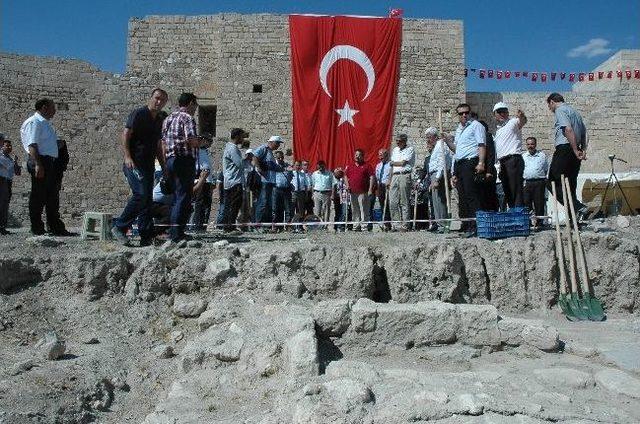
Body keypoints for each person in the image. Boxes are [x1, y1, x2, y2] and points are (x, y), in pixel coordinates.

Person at [112, 88, 168, 245]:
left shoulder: (158, 120)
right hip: (134, 163)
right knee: (140, 194)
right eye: (157, 98)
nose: (159, 102)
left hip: (149, 164)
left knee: (147, 201)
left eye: (162, 100)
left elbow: (158, 145)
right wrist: (127, 156)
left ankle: (146, 235)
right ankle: (119, 227)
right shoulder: (139, 114)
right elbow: (125, 134)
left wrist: (163, 167)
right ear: (151, 98)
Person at [20, 98, 69, 236]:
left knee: (52, 195)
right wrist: (38, 164)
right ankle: (36, 228)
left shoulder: (45, 124)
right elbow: (32, 145)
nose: (55, 111)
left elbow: (44, 144)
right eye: (53, 108)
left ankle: (54, 226)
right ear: (44, 107)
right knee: (38, 195)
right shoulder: (34, 122)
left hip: (49, 162)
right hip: (40, 161)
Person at [162, 92, 201, 242]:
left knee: (177, 197)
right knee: (184, 196)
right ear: (191, 103)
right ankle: (177, 234)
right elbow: (190, 140)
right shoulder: (187, 118)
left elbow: (163, 143)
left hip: (170, 160)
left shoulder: (168, 118)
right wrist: (200, 143)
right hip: (184, 160)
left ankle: (174, 231)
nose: (196, 108)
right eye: (196, 105)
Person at [444, 103, 486, 237]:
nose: (464, 115)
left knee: (471, 194)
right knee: (461, 196)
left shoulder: (476, 126)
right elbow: (457, 150)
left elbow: (481, 145)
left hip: (470, 162)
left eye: (466, 112)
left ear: (469, 112)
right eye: (461, 113)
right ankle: (466, 224)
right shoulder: (459, 130)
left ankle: (476, 225)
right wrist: (446, 141)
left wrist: (481, 162)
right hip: (460, 164)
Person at [545, 93, 588, 216]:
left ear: (552, 102)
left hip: (565, 148)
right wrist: (582, 150)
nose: (550, 109)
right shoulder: (576, 113)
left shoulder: (560, 110)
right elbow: (585, 133)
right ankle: (574, 218)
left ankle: (576, 206)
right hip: (576, 150)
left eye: (549, 106)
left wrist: (574, 149)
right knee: (570, 184)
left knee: (551, 181)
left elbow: (568, 129)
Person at [493, 102, 527, 208]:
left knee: (515, 191)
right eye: (499, 112)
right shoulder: (498, 131)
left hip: (513, 159)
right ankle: (514, 216)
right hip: (503, 163)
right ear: (495, 114)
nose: (502, 114)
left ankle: (519, 219)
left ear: (508, 113)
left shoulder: (512, 122)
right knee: (508, 192)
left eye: (504, 111)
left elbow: (522, 121)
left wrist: (522, 115)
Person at [253, 136, 285, 226]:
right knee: (262, 203)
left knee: (269, 204)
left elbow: (272, 167)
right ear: (272, 142)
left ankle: (265, 224)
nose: (278, 145)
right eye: (277, 143)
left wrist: (281, 169)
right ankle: (257, 224)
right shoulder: (264, 148)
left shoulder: (271, 153)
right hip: (264, 181)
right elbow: (255, 156)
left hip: (271, 181)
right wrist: (259, 168)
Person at [424, 127, 451, 232]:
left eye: (429, 137)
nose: (428, 140)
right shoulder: (436, 147)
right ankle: (440, 224)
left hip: (438, 175)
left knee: (440, 201)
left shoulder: (440, 145)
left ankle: (443, 225)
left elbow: (441, 163)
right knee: (435, 201)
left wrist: (437, 178)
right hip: (433, 175)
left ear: (435, 136)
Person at [221, 129, 247, 232]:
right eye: (241, 136)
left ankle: (228, 226)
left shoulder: (230, 147)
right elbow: (240, 164)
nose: (243, 139)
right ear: (236, 136)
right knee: (234, 204)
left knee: (230, 204)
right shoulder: (233, 148)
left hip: (230, 180)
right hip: (234, 181)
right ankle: (229, 227)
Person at [389, 134, 416, 231]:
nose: (397, 142)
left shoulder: (410, 149)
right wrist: (389, 179)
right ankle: (396, 224)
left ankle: (405, 224)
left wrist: (392, 163)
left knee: (404, 200)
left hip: (404, 174)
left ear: (404, 141)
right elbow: (392, 166)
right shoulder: (395, 150)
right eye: (396, 141)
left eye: (399, 141)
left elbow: (403, 163)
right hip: (395, 175)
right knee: (392, 201)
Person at [522, 137, 549, 229]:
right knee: (526, 203)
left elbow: (546, 169)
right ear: (526, 145)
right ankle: (528, 223)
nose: (530, 146)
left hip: (539, 182)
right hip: (527, 183)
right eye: (528, 144)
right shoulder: (523, 156)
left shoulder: (542, 156)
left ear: (535, 144)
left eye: (532, 144)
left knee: (539, 203)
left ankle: (540, 223)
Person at [344, 149, 374, 231]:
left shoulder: (367, 166)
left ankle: (364, 226)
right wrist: (347, 185)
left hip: (363, 192)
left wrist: (370, 189)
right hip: (353, 192)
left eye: (359, 155)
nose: (357, 156)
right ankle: (356, 226)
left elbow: (371, 177)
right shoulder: (350, 166)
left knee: (364, 210)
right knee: (355, 210)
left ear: (362, 156)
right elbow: (345, 176)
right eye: (356, 155)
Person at [189, 135, 214, 232]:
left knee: (206, 205)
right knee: (200, 204)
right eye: (209, 141)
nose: (210, 144)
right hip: (201, 180)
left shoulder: (205, 152)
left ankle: (202, 226)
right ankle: (197, 226)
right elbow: (199, 167)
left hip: (207, 181)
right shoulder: (197, 151)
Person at [0, 137, 21, 235]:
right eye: (7, 145)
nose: (9, 147)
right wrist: (11, 164)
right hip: (2, 181)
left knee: (5, 204)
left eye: (10, 146)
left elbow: (17, 173)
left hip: (8, 182)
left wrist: (15, 163)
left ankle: (3, 227)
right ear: (2, 146)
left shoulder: (11, 159)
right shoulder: (0, 157)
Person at [272, 150, 293, 230]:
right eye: (278, 158)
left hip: (286, 189)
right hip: (276, 189)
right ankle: (276, 227)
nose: (280, 159)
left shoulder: (287, 165)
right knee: (276, 208)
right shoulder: (274, 166)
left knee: (288, 209)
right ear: (276, 158)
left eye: (282, 157)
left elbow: (291, 176)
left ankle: (288, 226)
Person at [374, 149, 392, 231]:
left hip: (388, 185)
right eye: (379, 155)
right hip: (380, 185)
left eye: (382, 155)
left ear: (386, 155)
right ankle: (385, 223)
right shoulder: (378, 165)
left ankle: (389, 223)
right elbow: (377, 176)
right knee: (382, 204)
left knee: (388, 204)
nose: (380, 157)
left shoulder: (390, 165)